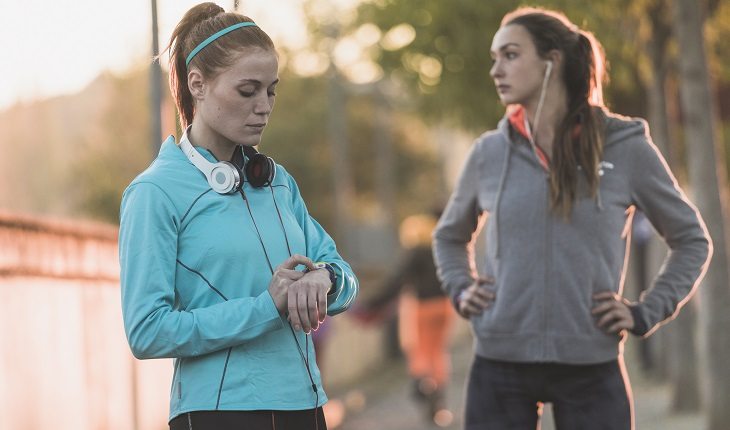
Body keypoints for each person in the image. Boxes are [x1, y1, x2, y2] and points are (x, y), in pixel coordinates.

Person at [432, 6, 711, 430]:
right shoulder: (489, 153)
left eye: (510, 55)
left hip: (591, 367)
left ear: (551, 61)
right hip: (499, 365)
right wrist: (461, 288)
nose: (496, 70)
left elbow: (692, 239)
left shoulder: (626, 148)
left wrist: (645, 311)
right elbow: (449, 237)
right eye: (494, 58)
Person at [118, 3, 358, 430]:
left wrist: (324, 277)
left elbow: (344, 278)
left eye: (271, 90)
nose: (264, 106)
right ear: (198, 84)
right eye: (248, 91)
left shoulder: (278, 182)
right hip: (218, 414)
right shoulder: (154, 192)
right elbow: (147, 331)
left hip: (306, 407)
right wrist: (266, 307)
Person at [359, 213, 456, 426]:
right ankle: (439, 403)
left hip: (424, 307)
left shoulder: (414, 253)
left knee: (420, 350)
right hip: (445, 307)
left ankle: (423, 385)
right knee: (438, 351)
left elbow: (397, 281)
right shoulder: (440, 250)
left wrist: (370, 304)